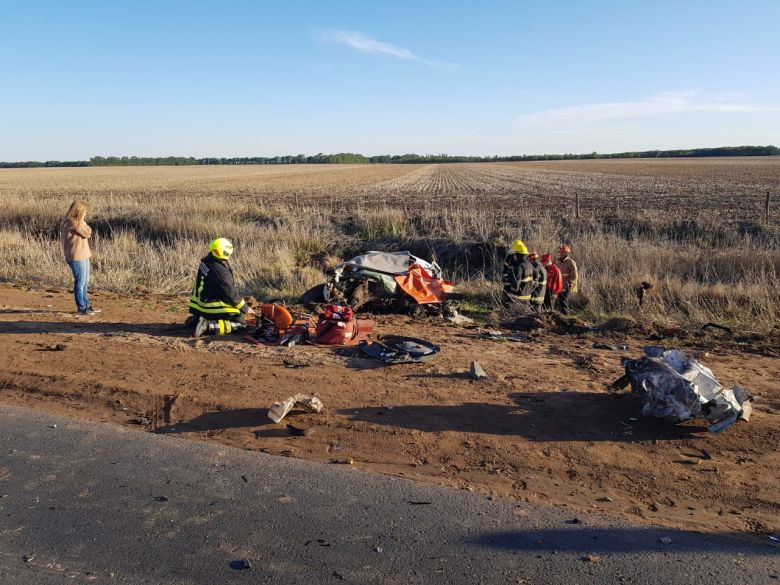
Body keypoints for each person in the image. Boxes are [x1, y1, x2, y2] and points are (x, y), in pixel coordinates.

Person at [188, 238, 255, 336]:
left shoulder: (206, 262)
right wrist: (244, 308)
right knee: (241, 324)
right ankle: (207, 325)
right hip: (211, 307)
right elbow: (229, 292)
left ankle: (199, 319)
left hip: (201, 306)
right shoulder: (220, 270)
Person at [60, 200, 100, 316]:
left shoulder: (77, 222)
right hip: (76, 256)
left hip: (84, 255)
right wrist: (83, 223)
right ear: (78, 211)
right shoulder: (72, 222)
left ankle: (86, 305)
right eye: (84, 211)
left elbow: (89, 231)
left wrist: (84, 223)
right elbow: (87, 233)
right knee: (80, 282)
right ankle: (81, 307)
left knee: (85, 282)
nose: (86, 213)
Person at [501, 239, 534, 308]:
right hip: (527, 297)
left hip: (518, 297)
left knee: (511, 314)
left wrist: (511, 292)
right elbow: (535, 278)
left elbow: (516, 283)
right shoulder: (530, 264)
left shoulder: (518, 265)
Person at [556, 244, 578, 314]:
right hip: (560, 286)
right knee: (561, 301)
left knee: (564, 301)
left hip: (567, 286)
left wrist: (571, 284)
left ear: (566, 253)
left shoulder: (571, 262)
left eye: (562, 252)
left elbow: (574, 275)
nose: (560, 254)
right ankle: (563, 315)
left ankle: (566, 315)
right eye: (560, 252)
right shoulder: (559, 262)